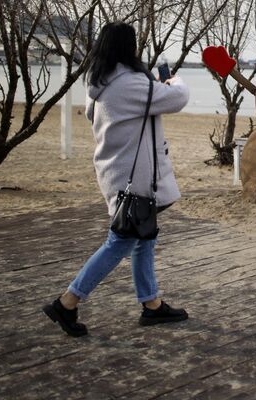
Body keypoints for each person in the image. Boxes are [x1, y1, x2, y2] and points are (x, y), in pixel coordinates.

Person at [42, 22, 190, 337]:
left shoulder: (99, 82)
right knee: (121, 241)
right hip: (135, 178)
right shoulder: (131, 83)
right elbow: (177, 98)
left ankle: (152, 305)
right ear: (128, 47)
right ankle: (67, 302)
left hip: (116, 172)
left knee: (143, 235)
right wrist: (173, 79)